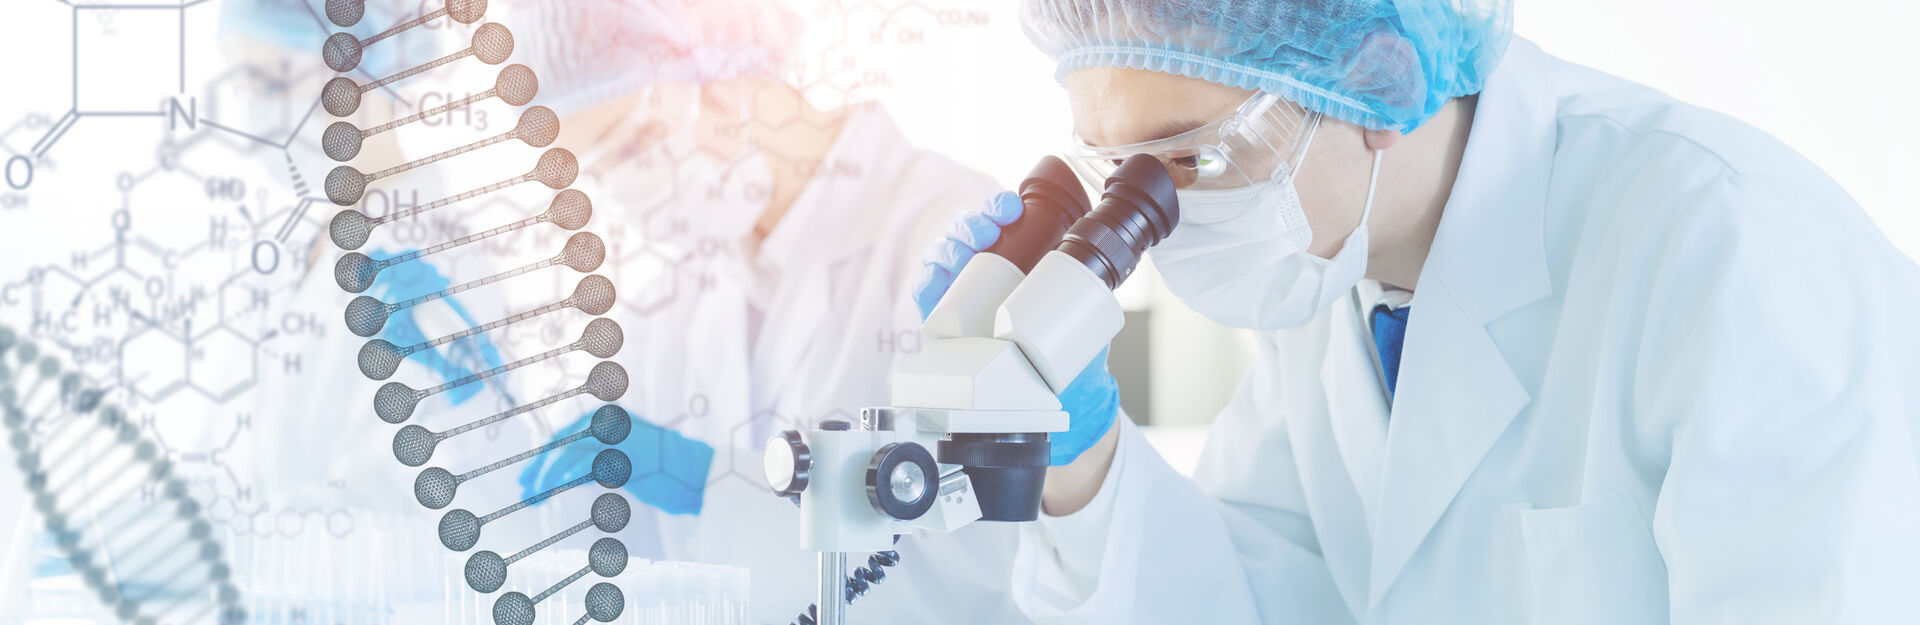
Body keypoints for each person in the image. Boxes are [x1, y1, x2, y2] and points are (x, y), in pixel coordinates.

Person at [913, 1, 1920, 622]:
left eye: (1194, 164)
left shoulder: (1734, 249)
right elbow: (1269, 605)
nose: (1170, 223)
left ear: (1372, 83)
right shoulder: (1327, 283)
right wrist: (1079, 458)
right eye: (1116, 172)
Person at [508, 0, 1032, 621]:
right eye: (598, 171)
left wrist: (712, 487)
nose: (625, 193)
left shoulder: (952, 235)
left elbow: (979, 566)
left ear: (728, 84)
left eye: (632, 146)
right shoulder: (675, 306)